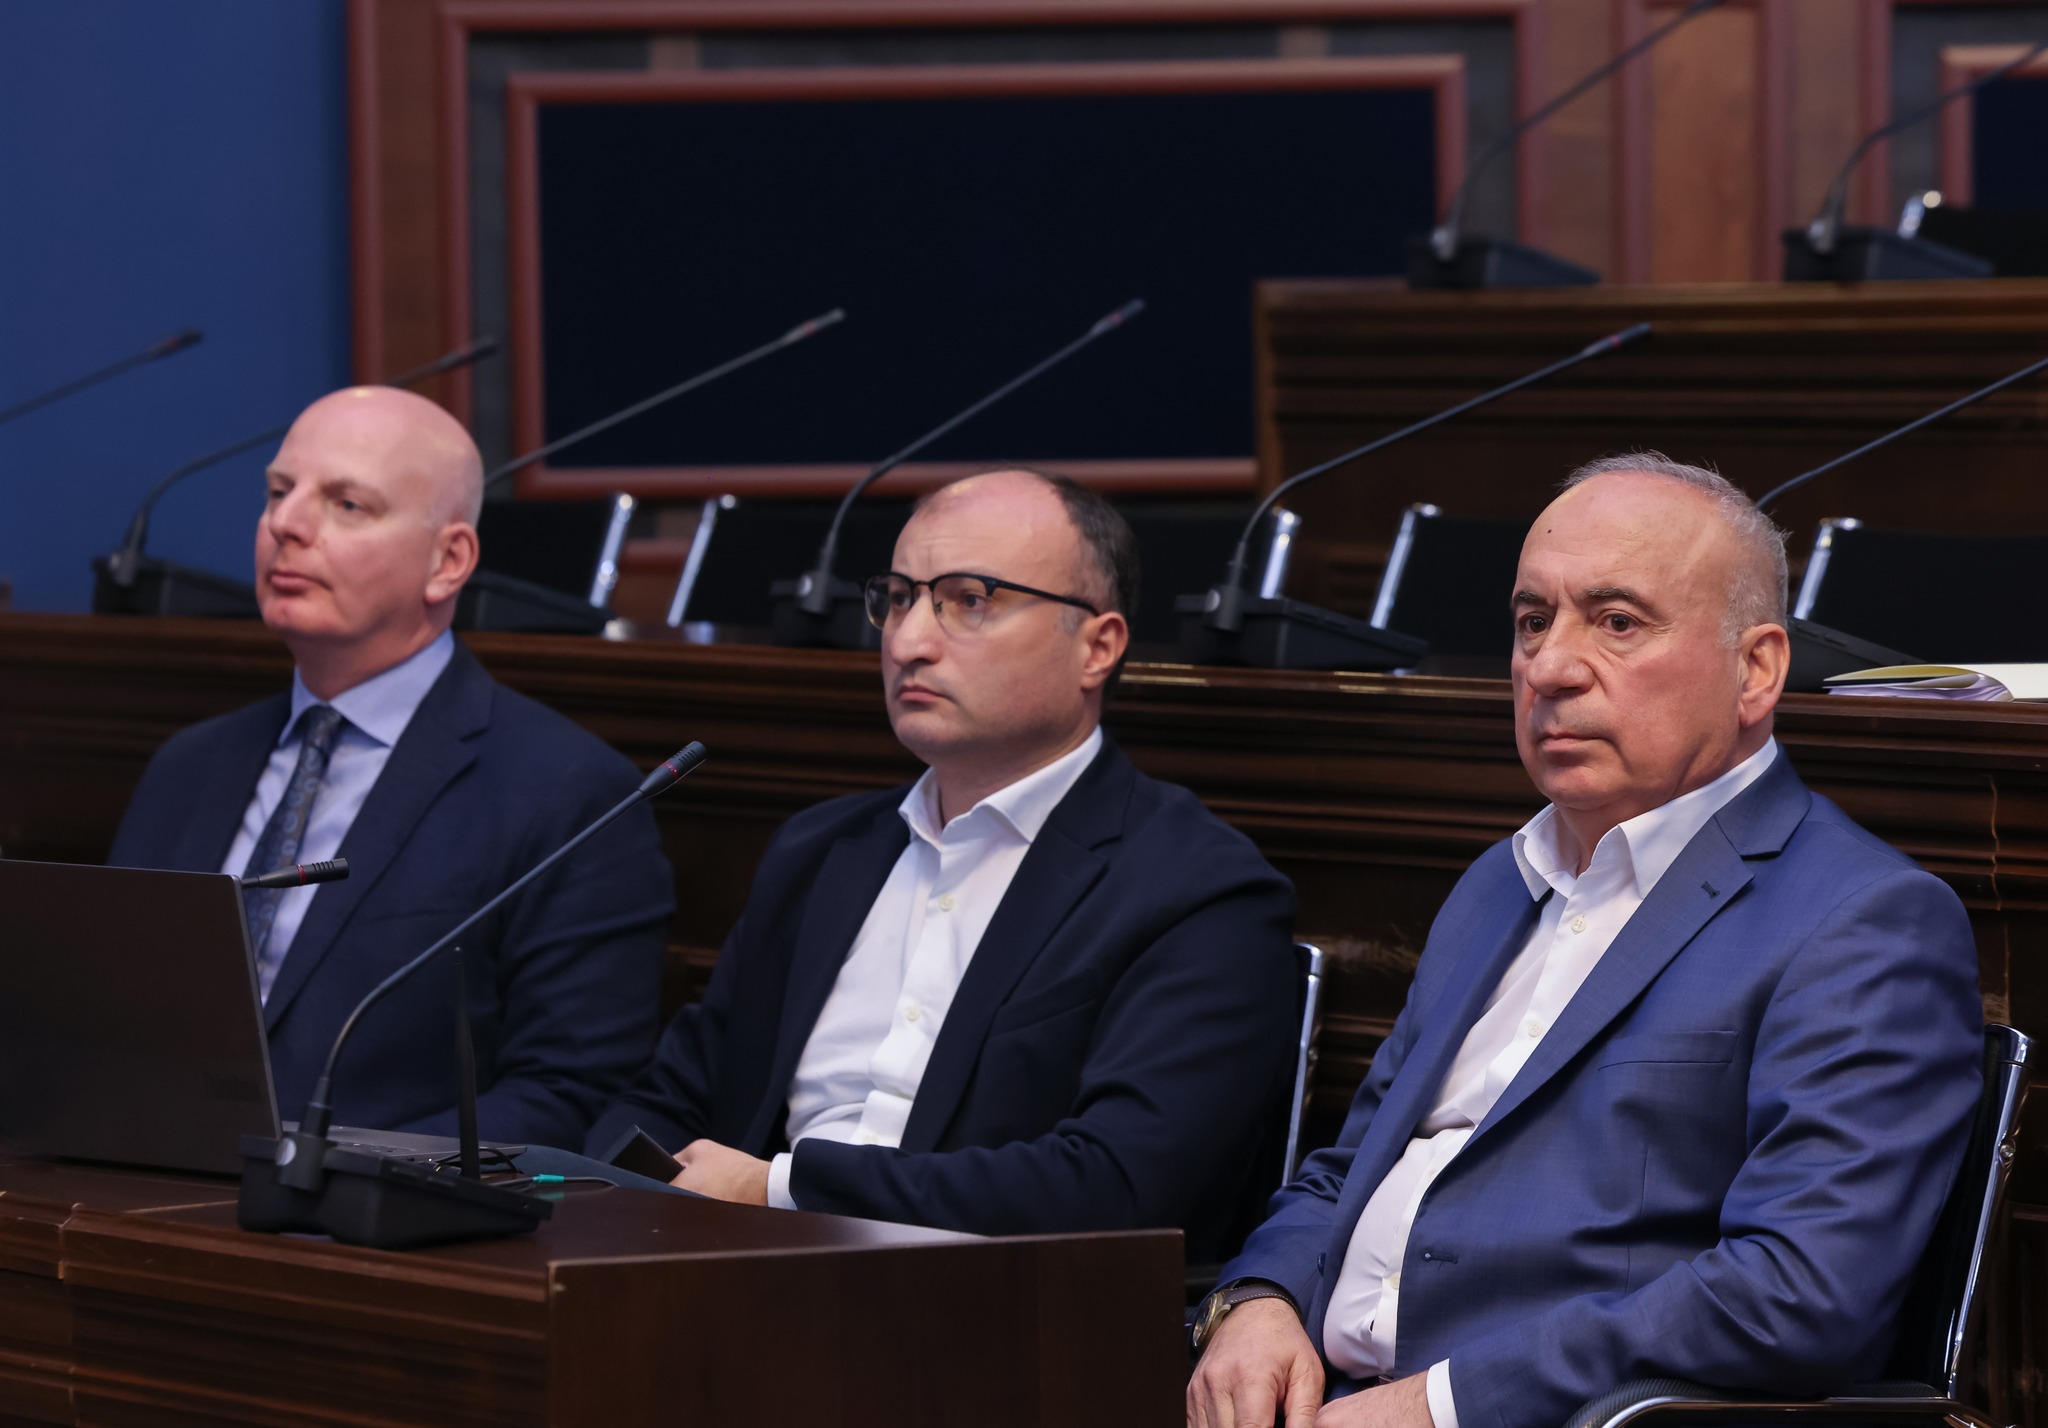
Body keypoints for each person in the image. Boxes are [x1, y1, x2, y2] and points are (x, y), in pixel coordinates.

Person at [1187, 454, 1983, 1428]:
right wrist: (1258, 1300)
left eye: (1617, 622)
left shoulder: (1862, 920)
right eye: (1533, 621)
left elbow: (1797, 1292)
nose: (1551, 668)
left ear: (1756, 669)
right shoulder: (1497, 882)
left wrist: (1438, 1406)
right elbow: (1348, 1169)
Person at [585, 468, 1299, 1254]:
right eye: (898, 598)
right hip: (722, 1275)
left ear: (1097, 648)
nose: (908, 642)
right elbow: (670, 1098)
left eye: (970, 600)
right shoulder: (821, 851)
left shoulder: (1198, 891)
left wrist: (777, 1190)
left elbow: (1117, 1185)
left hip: (998, 1305)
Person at [110, 386, 673, 1148]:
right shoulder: (188, 766)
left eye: (347, 505)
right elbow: (101, 1019)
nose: (286, 524)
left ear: (448, 562)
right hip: (125, 1186)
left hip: (368, 1210)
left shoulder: (568, 793)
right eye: (278, 492)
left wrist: (322, 1168)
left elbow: (569, 1094)